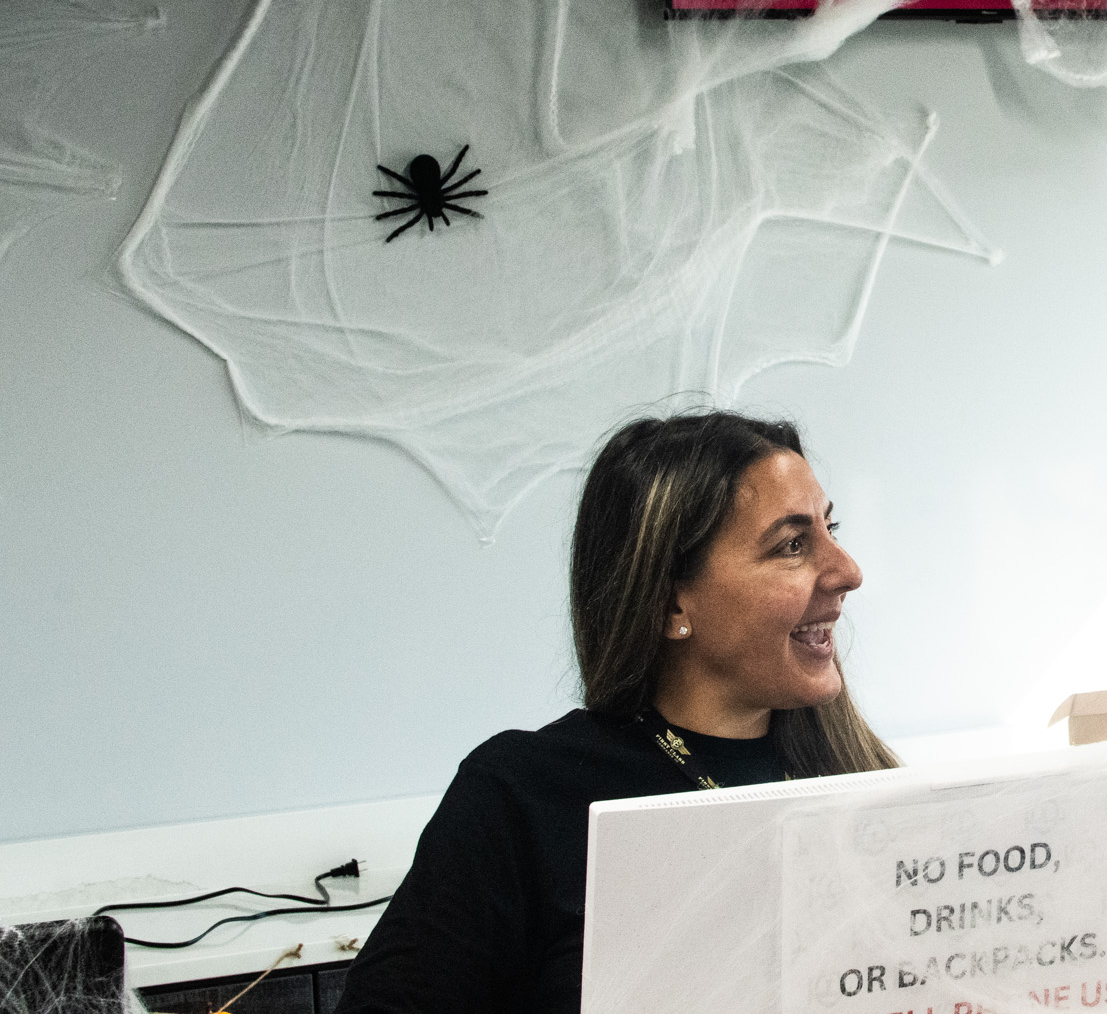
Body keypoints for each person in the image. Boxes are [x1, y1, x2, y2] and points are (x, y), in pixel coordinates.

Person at [336, 411, 896, 1014]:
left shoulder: (861, 780)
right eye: (792, 545)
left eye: (831, 528)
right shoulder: (519, 795)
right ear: (670, 603)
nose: (848, 571)